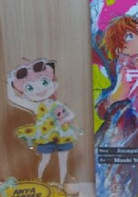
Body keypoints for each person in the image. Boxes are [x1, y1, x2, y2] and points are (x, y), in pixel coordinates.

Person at [7, 58, 82, 186]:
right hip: (45, 138)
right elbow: (13, 98)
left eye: (44, 82)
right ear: (25, 93)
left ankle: (62, 184)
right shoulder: (36, 106)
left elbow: (71, 114)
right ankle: (40, 181)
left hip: (63, 136)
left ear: (53, 83)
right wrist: (9, 82)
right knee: (44, 160)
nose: (39, 89)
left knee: (63, 161)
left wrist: (65, 119)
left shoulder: (56, 104)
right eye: (30, 88)